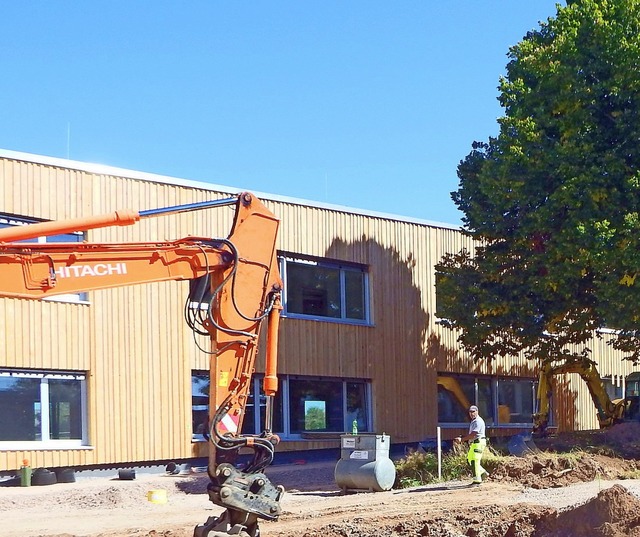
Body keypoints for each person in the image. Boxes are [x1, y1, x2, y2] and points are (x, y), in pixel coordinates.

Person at [454, 405, 488, 485]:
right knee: (469, 460)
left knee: (474, 460)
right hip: (475, 443)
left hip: (478, 442)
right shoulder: (474, 421)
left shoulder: (478, 421)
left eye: (473, 411)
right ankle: (483, 473)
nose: (472, 413)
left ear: (477, 412)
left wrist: (461, 440)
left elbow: (473, 434)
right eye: (470, 412)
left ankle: (477, 481)